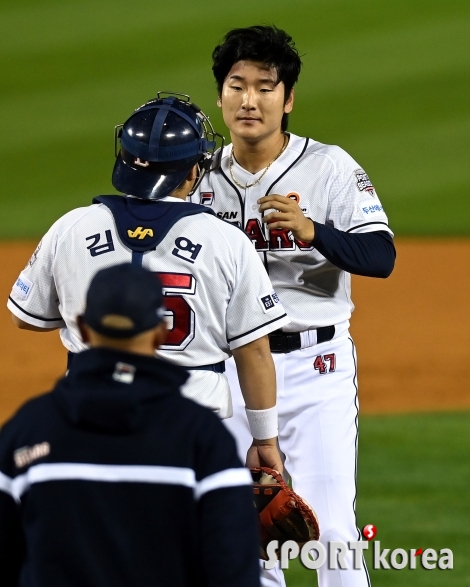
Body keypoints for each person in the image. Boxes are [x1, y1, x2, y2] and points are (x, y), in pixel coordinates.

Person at [191, 25, 396, 587]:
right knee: (245, 536)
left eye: (265, 86)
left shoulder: (328, 167)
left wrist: (313, 230)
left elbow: (381, 256)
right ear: (220, 95)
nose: (249, 100)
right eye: (237, 85)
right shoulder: (200, 176)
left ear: (288, 98)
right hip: (230, 373)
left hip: (315, 370)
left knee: (332, 535)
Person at [7, 93, 290, 471]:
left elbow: (25, 316)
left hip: (92, 415)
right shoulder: (226, 240)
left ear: (123, 157)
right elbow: (254, 352)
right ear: (193, 171)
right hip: (189, 425)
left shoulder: (71, 227)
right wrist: (264, 440)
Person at [0, 263, 261, 587]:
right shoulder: (202, 438)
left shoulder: (26, 432)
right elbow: (234, 572)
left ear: (81, 327)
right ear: (160, 332)